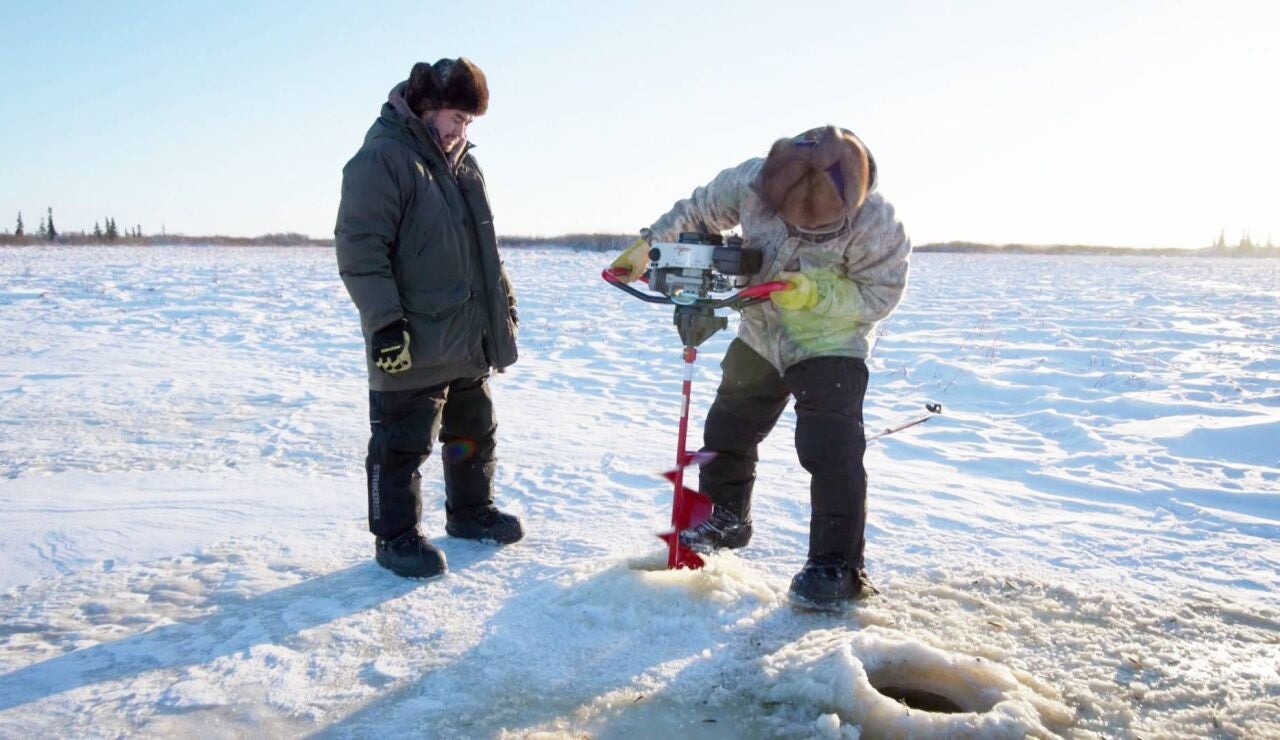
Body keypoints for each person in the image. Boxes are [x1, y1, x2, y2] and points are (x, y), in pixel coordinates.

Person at [610, 126, 911, 608]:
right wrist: (650, 246)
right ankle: (725, 518)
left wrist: (816, 294)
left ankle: (836, 566)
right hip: (759, 331)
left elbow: (881, 294)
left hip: (828, 341)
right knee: (728, 428)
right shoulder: (750, 181)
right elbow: (698, 210)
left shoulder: (877, 222)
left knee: (829, 449)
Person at [336, 57, 522, 580]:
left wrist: (501, 306)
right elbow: (360, 251)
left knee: (474, 430)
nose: (461, 131)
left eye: (468, 123)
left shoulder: (463, 164)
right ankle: (395, 538)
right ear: (425, 106)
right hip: (413, 336)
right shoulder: (384, 160)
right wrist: (385, 325)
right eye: (456, 118)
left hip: (466, 333)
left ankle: (470, 512)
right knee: (402, 444)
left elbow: (484, 249)